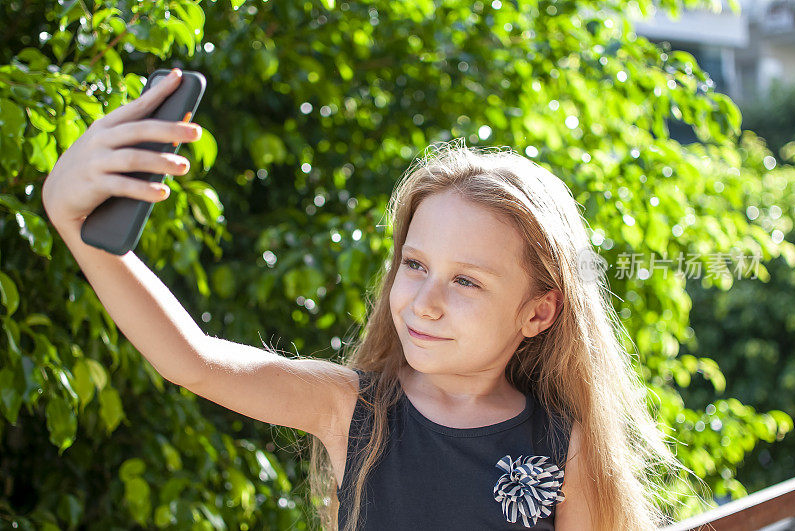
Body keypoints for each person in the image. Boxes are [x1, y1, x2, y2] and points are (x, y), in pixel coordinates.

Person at [42, 67, 695, 531]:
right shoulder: (352, 408)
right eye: (415, 264)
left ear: (539, 310)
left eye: (466, 280)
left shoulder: (564, 440)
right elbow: (193, 360)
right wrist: (81, 227)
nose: (425, 301)